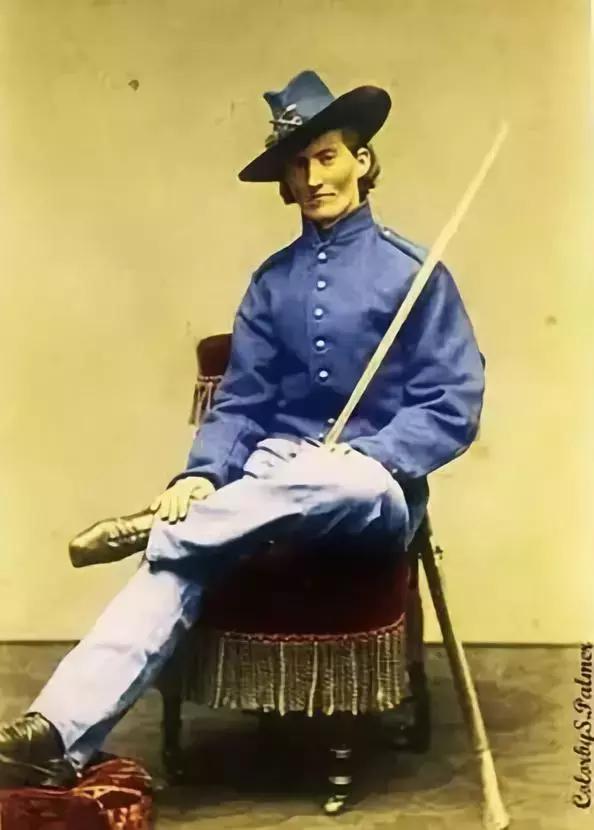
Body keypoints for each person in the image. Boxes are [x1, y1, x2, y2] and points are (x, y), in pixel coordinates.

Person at [0, 70, 485, 787]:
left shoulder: (417, 274)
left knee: (326, 485)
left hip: (371, 487)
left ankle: (164, 532)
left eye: (327, 157)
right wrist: (201, 475)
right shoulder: (270, 282)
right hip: (267, 475)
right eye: (298, 164)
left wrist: (370, 454)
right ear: (284, 182)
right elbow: (241, 403)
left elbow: (452, 402)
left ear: (362, 161)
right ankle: (53, 733)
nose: (313, 178)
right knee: (178, 561)